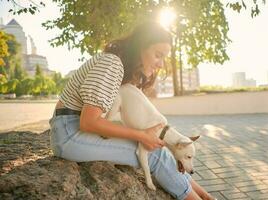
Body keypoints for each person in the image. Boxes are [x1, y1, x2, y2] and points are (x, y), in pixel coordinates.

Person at [49, 21, 215, 200]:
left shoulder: (117, 66)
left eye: (164, 57)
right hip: (69, 135)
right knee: (155, 155)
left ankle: (206, 197)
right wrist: (142, 135)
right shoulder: (112, 64)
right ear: (140, 46)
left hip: (70, 128)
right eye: (158, 55)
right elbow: (88, 122)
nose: (161, 64)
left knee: (161, 150)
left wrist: (143, 133)